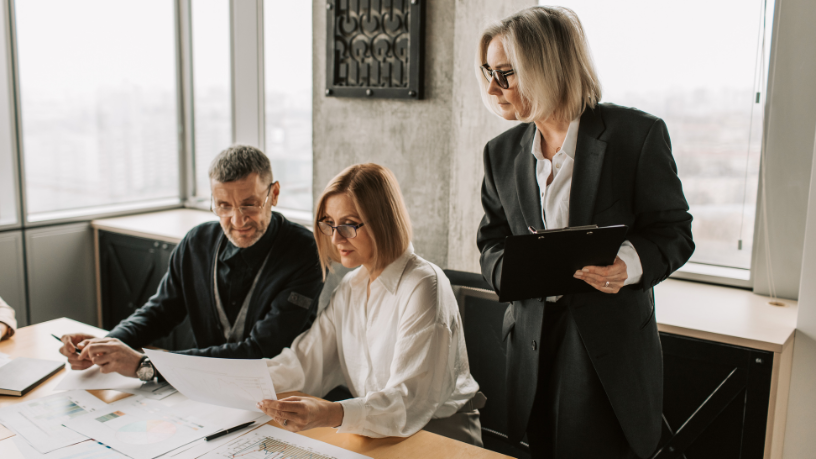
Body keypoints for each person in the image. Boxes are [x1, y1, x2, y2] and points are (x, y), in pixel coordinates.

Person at [475, 7, 694, 459]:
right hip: (531, 341)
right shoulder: (500, 154)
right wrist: (511, 271)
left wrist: (626, 266)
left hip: (606, 349)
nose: (492, 88)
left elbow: (675, 231)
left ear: (546, 67)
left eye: (505, 74)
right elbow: (491, 241)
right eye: (487, 72)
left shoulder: (637, 135)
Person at [257, 163, 484, 446]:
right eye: (329, 223)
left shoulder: (424, 286)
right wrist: (245, 382)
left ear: (383, 220)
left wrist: (331, 413)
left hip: (440, 437)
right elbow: (304, 363)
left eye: (349, 225)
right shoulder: (351, 287)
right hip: (376, 434)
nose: (336, 238)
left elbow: (406, 400)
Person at [58, 146, 324, 381]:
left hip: (279, 393)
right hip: (199, 387)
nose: (237, 220)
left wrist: (146, 366)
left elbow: (261, 351)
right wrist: (108, 344)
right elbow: (159, 312)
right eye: (223, 206)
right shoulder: (196, 242)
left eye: (250, 205)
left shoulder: (305, 251)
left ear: (274, 194)